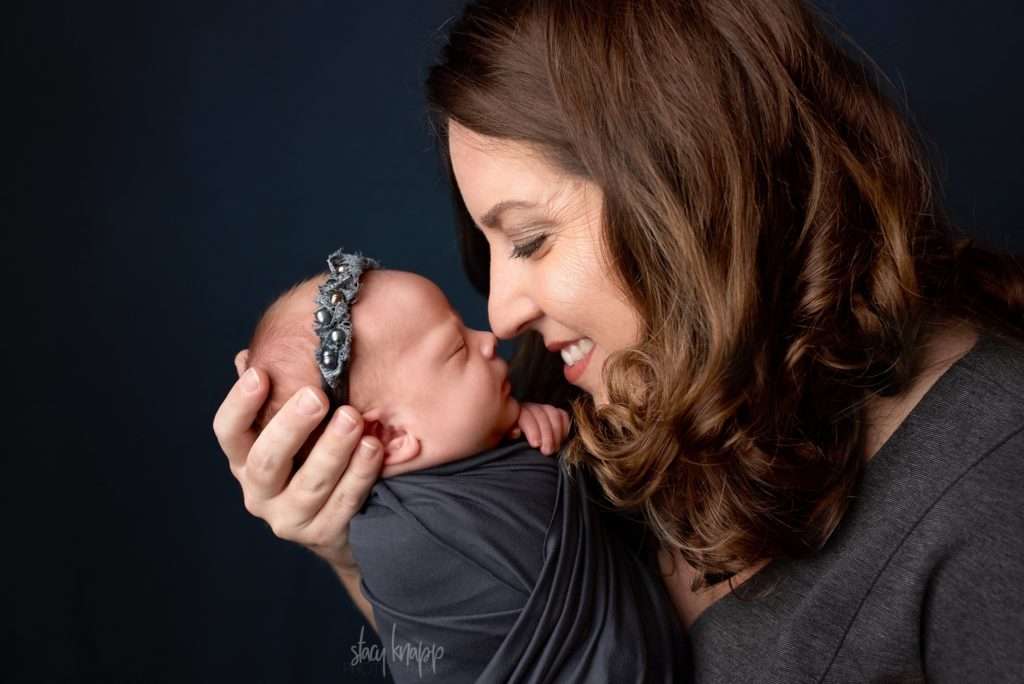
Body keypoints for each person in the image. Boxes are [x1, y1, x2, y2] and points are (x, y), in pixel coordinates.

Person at [213, 0, 1024, 680]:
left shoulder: (993, 491)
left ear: (691, 185)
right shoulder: (562, 383)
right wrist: (355, 544)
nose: (500, 316)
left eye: (529, 240)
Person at [235, 248, 688, 682]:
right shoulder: (411, 539)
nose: (490, 338)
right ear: (389, 437)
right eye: (457, 349)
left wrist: (512, 424)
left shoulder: (465, 453)